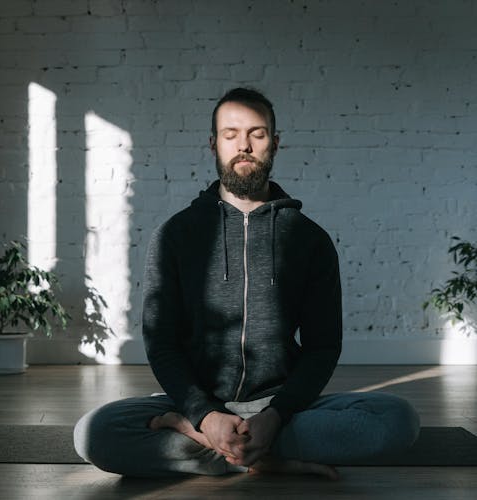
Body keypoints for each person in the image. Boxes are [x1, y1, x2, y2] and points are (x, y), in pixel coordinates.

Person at [73, 87, 420, 479]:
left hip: (281, 407)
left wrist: (276, 415)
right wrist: (203, 416)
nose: (244, 145)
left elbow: (323, 347)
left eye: (256, 134)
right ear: (213, 144)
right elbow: (162, 343)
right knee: (94, 433)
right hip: (198, 403)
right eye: (231, 134)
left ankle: (226, 449)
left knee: (397, 420)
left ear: (274, 143)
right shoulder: (176, 234)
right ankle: (262, 457)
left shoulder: (309, 239)